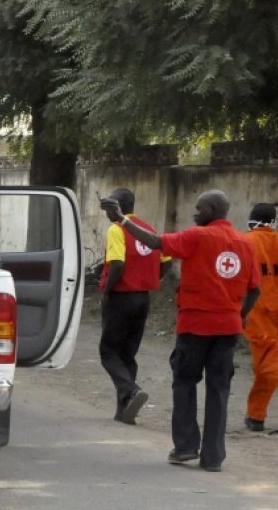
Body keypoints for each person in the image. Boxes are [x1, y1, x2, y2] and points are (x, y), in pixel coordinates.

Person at [101, 189, 260, 472]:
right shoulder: (245, 244)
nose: (195, 213)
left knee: (185, 382)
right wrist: (241, 316)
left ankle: (186, 447)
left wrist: (122, 221)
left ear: (212, 209)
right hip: (228, 329)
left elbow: (154, 242)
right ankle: (213, 458)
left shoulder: (196, 237)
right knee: (219, 389)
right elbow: (255, 289)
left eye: (199, 208)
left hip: (195, 326)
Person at [98, 188, 171, 425]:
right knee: (128, 353)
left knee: (109, 351)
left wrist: (107, 293)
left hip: (122, 298)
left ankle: (130, 390)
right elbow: (167, 262)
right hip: (143, 298)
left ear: (116, 207)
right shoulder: (148, 229)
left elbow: (117, 265)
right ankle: (125, 411)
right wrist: (150, 279)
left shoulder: (117, 229)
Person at [242, 203, 278, 432]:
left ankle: (256, 416)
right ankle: (255, 416)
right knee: (267, 367)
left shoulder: (244, 242)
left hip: (256, 312)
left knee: (265, 366)